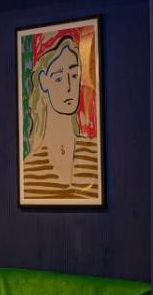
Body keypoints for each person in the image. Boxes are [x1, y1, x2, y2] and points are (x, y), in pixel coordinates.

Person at [21, 33, 99, 200]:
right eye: (58, 78)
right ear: (44, 81)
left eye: (74, 75)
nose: (69, 86)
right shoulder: (28, 170)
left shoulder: (95, 153)